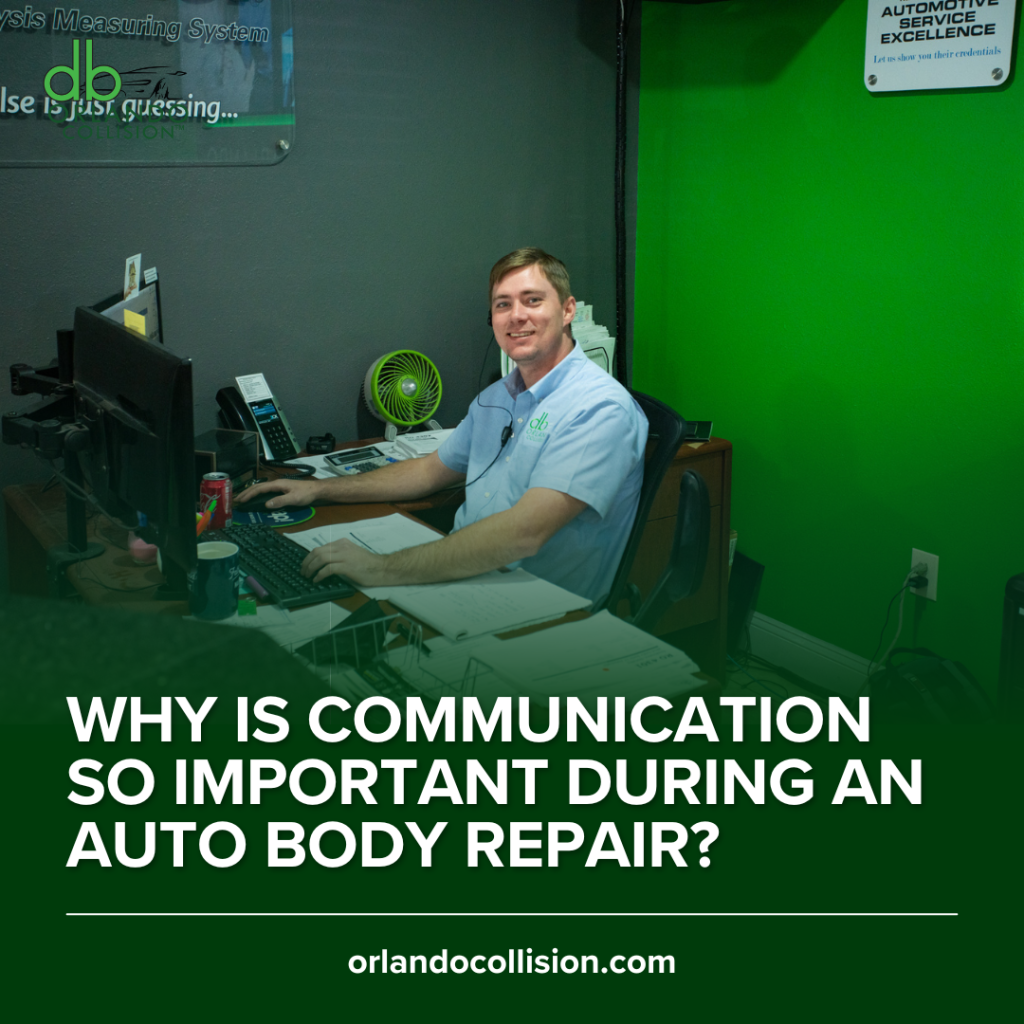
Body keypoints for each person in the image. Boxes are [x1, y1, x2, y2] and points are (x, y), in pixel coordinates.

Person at [236, 248, 648, 602]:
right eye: (503, 304)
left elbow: (526, 533)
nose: (516, 316)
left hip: (539, 607)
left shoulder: (598, 409)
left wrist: (382, 568)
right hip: (469, 577)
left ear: (568, 309)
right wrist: (318, 490)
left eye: (532, 300)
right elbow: (429, 471)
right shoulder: (499, 397)